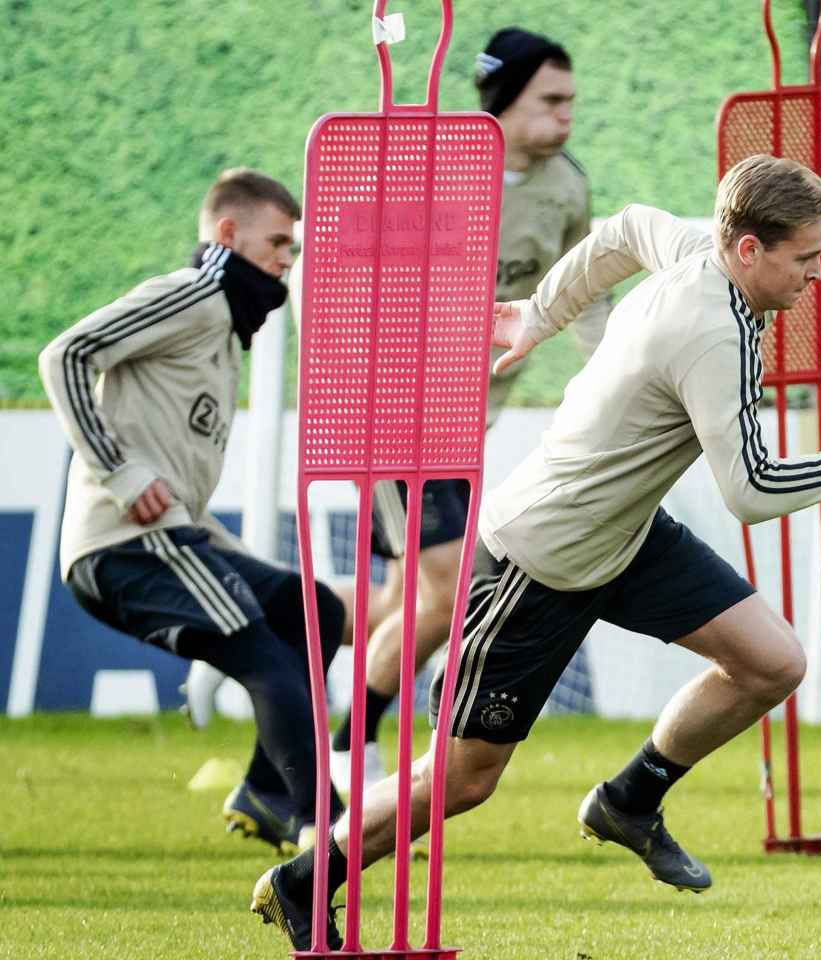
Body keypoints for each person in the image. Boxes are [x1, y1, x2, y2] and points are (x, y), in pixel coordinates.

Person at [251, 155, 821, 949]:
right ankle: (301, 884)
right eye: (807, 258)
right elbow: (753, 492)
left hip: (623, 535)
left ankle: (630, 798)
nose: (817, 275)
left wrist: (538, 314)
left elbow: (622, 227)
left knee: (773, 662)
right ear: (751, 250)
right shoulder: (711, 336)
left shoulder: (701, 247)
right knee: (460, 781)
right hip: (540, 559)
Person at [321, 26, 612, 794]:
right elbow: (352, 274)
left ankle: (281, 635)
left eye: (571, 101)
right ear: (505, 98)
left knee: (398, 601)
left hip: (462, 424)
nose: (566, 115)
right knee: (448, 590)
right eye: (551, 100)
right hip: (394, 409)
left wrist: (615, 378)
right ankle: (351, 749)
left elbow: (585, 296)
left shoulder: (568, 187)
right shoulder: (437, 171)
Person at [39, 169, 346, 855]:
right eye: (277, 243)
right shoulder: (198, 293)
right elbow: (66, 353)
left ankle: (268, 796)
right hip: (126, 543)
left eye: (292, 249)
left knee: (313, 611)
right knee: (265, 658)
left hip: (169, 534)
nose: (285, 262)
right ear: (228, 235)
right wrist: (118, 471)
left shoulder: (221, 328)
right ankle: (322, 827)